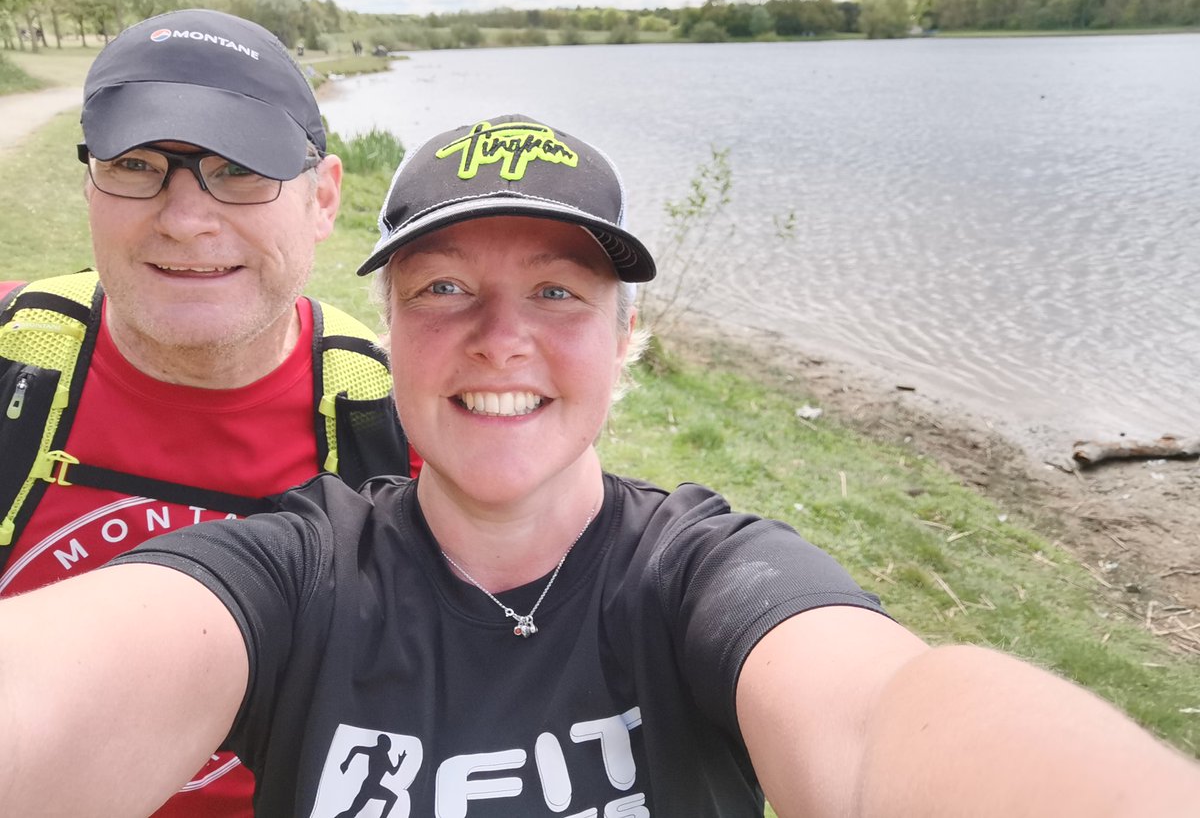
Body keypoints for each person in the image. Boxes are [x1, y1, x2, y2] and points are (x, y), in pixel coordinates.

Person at [1, 114, 1198, 817]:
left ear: (627, 343)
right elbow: (66, 691)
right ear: (395, 337)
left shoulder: (704, 580)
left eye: (559, 292)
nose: (500, 338)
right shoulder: (296, 570)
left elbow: (888, 713)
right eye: (446, 289)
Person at [0, 9, 410, 817]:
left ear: (323, 199)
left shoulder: (394, 423)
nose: (185, 219)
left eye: (239, 169)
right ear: (89, 185)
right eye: (137, 164)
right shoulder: (19, 365)